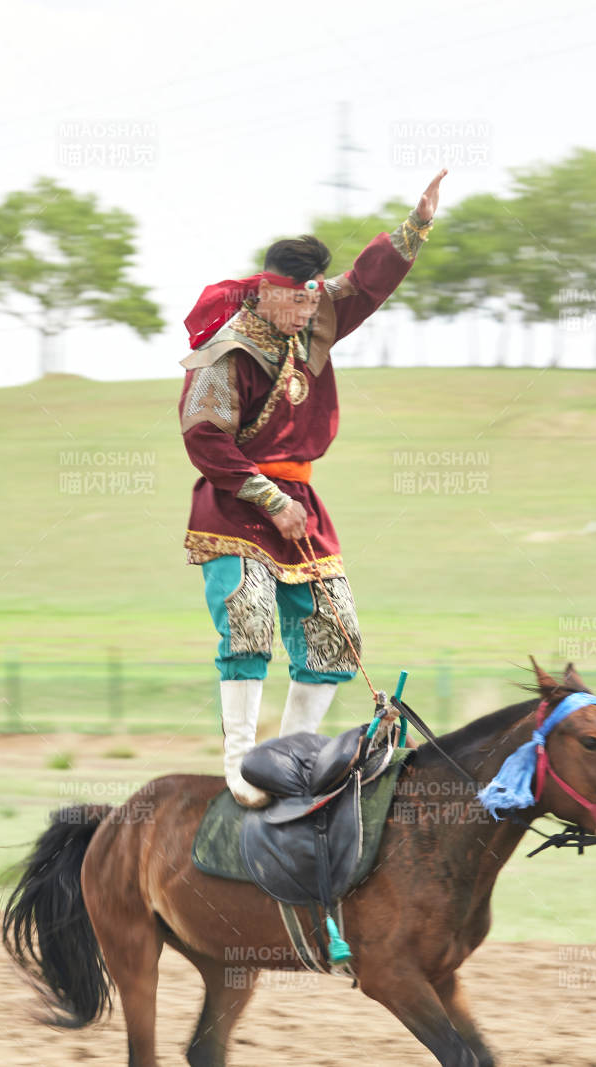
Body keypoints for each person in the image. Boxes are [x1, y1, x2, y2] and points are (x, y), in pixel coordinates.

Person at [178, 170, 447, 806]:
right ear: (267, 294)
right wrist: (269, 499)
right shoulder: (225, 355)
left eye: (310, 302)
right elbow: (205, 438)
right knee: (248, 619)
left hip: (303, 503)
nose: (307, 312)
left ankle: (290, 758)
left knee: (336, 630)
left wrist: (416, 225)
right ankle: (242, 765)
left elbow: (364, 286)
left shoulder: (312, 318)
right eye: (296, 303)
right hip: (235, 504)